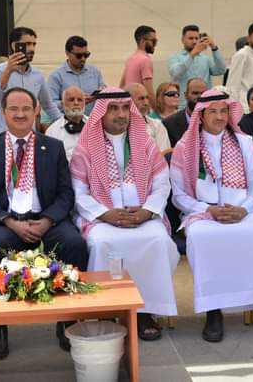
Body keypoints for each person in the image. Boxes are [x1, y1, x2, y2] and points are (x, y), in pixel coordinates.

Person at [170, 89, 253, 342]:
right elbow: (178, 196)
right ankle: (213, 312)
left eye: (224, 111)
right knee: (203, 238)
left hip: (244, 212)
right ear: (201, 115)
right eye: (213, 112)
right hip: (203, 215)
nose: (219, 117)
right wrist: (207, 209)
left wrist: (243, 209)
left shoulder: (243, 142)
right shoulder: (185, 148)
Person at [0, 87, 89, 358]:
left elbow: (66, 194)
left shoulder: (53, 147)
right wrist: (9, 222)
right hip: (6, 222)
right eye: (13, 109)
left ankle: (68, 319)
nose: (20, 114)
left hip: (46, 218)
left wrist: (48, 220)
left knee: (74, 244)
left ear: (36, 110)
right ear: (3, 112)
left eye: (26, 108)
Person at [70, 87, 179, 341]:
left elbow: (162, 184)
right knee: (102, 243)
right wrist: (104, 214)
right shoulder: (85, 148)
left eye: (124, 108)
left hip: (143, 215)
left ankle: (145, 311)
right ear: (100, 113)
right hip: (102, 219)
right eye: (113, 109)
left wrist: (147, 211)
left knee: (158, 241)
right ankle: (108, 310)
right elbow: (78, 191)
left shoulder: (146, 144)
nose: (121, 114)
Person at [0, 27, 61, 137]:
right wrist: (8, 71)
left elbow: (48, 106)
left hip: (28, 138)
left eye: (34, 44)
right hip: (2, 137)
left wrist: (64, 122)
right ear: (14, 45)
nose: (32, 48)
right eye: (27, 44)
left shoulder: (38, 75)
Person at [167, 25, 226, 110]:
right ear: (182, 39)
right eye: (191, 38)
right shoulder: (175, 57)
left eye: (196, 38)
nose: (194, 41)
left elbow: (221, 70)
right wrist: (192, 54)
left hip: (205, 104)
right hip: (184, 106)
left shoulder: (205, 58)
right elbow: (176, 73)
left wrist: (214, 47)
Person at [47, 35, 105, 115]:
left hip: (93, 121)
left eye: (86, 55)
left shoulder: (95, 72)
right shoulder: (56, 76)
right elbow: (51, 104)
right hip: (67, 121)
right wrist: (73, 102)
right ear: (67, 53)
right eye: (79, 55)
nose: (83, 58)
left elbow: (104, 93)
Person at [226, 22, 253, 107]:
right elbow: (232, 85)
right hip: (242, 107)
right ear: (248, 38)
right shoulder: (242, 54)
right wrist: (233, 109)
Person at [45, 86, 87, 161]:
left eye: (80, 100)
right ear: (62, 104)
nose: (76, 103)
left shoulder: (95, 125)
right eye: (71, 100)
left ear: (84, 103)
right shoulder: (52, 132)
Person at [120, 25, 158, 107]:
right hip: (141, 107)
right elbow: (149, 91)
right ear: (143, 41)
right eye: (154, 41)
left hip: (130, 106)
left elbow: (122, 86)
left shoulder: (130, 59)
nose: (155, 45)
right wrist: (157, 110)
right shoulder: (145, 60)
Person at [125, 83, 171, 151]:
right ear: (129, 101)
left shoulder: (157, 126)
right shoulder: (120, 127)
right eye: (141, 99)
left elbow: (163, 154)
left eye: (147, 98)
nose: (146, 103)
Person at [163, 78, 208, 147]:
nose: (199, 97)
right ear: (185, 95)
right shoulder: (169, 124)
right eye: (195, 93)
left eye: (203, 93)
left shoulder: (213, 122)